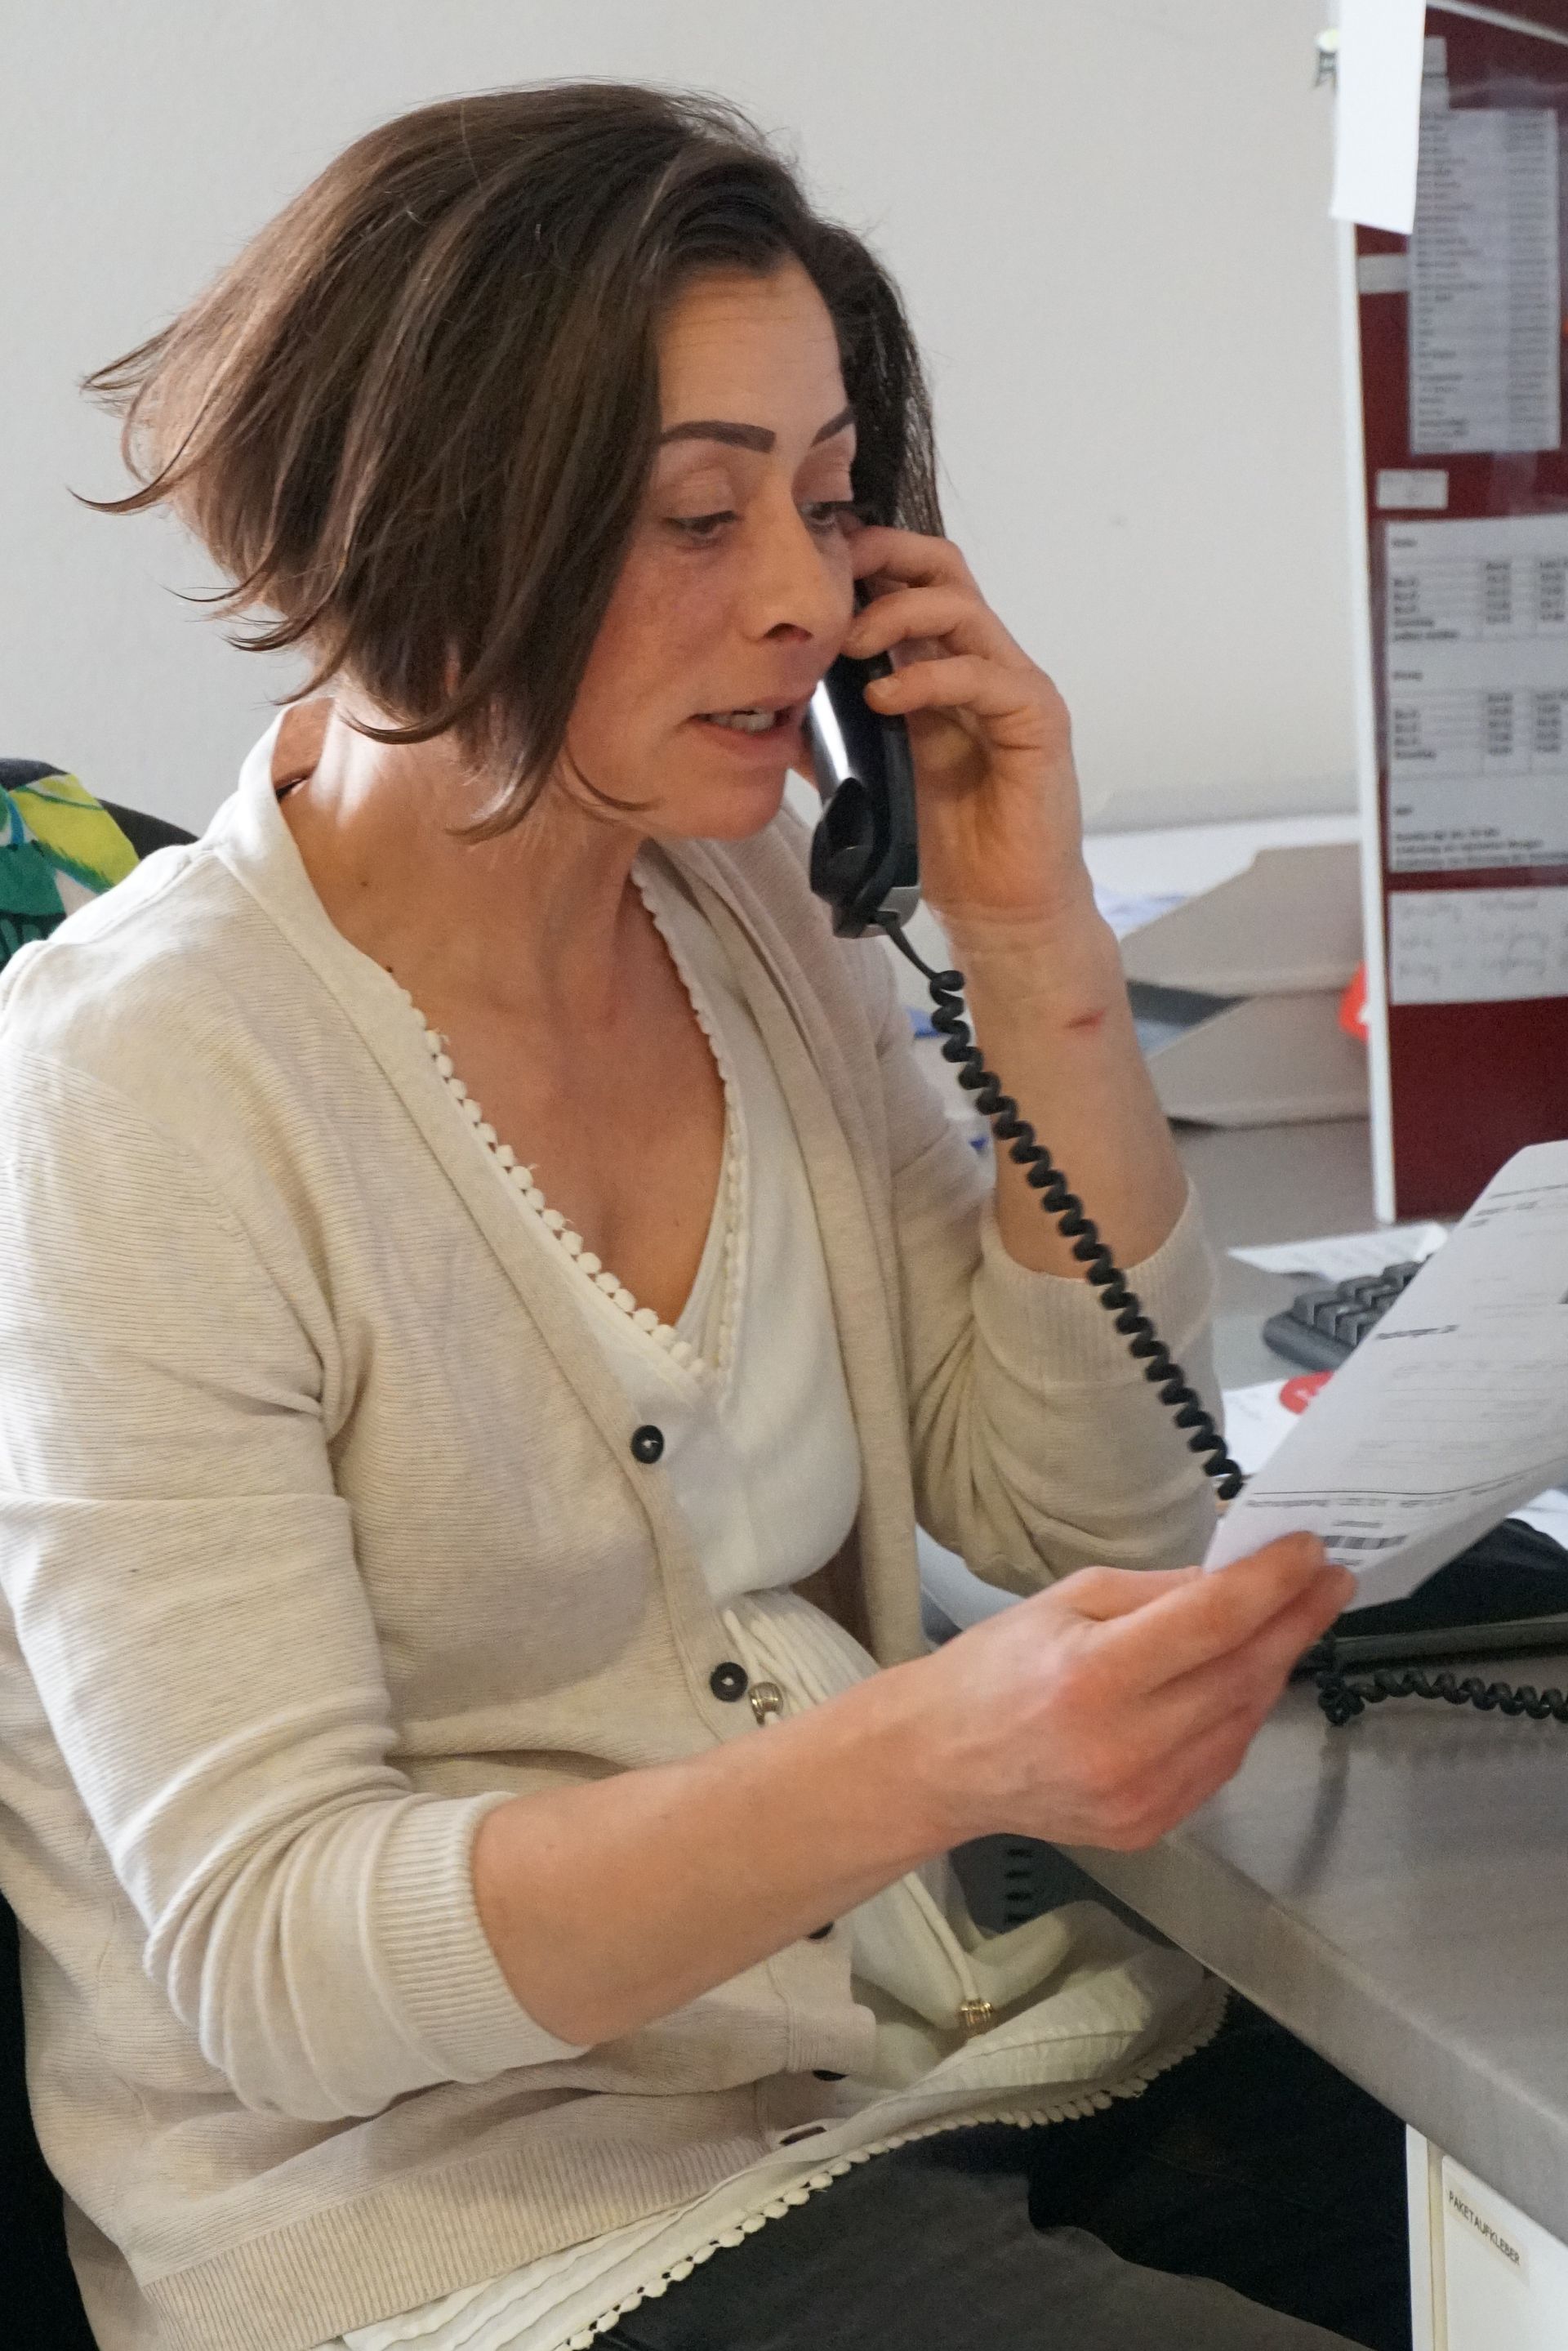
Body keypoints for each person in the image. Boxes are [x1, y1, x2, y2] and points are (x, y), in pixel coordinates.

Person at [0, 84, 1410, 2351]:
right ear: (428, 516)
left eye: (835, 502)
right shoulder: (141, 1085)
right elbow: (270, 1958)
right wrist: (931, 1756)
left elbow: (1086, 1513)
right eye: (693, 514)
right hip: (483, 2231)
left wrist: (1032, 938)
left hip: (914, 2068)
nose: (801, 593)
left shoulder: (752, 907)